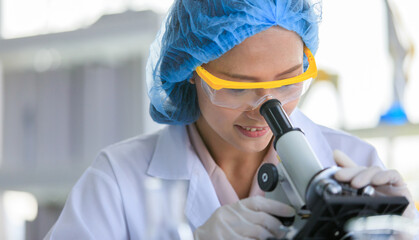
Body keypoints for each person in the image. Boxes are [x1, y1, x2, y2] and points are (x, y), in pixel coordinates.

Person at [45, 0, 418, 239]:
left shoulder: (357, 160)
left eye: (287, 81)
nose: (265, 109)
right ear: (191, 70)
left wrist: (402, 230)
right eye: (238, 87)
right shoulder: (118, 179)